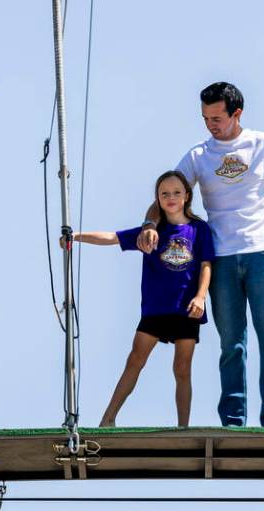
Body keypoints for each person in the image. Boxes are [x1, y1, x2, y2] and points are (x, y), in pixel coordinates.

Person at [138, 81, 264, 428]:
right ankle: (233, 420)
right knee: (231, 343)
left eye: (217, 118)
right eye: (205, 118)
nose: (211, 125)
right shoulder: (198, 156)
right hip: (220, 258)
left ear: (237, 114)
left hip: (262, 252)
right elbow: (168, 192)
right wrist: (149, 223)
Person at [66, 170, 214, 427]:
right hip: (156, 309)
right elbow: (113, 237)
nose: (171, 197)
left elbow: (206, 265)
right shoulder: (151, 233)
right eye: (164, 193)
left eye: (176, 192)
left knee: (182, 368)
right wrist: (76, 236)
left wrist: (201, 297)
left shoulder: (199, 229)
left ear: (187, 196)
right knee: (135, 359)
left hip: (186, 309)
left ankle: (183, 428)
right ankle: (108, 418)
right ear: (157, 198)